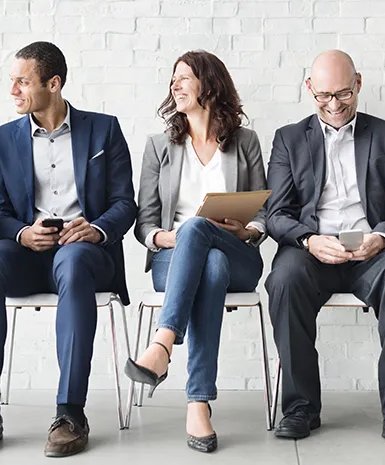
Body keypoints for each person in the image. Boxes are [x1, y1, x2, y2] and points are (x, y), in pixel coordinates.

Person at [0, 41, 136, 457]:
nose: (13, 90)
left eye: (23, 81)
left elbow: (125, 203)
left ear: (53, 84)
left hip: (86, 254)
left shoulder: (103, 129)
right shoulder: (0, 139)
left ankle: (70, 413)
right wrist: (22, 233)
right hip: (28, 253)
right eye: (12, 81)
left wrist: (96, 229)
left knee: (72, 262)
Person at [265, 50, 385, 441]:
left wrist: (380, 238)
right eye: (323, 96)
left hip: (372, 248)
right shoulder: (288, 138)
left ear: (358, 84)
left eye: (343, 94)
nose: (334, 106)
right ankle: (301, 408)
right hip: (312, 249)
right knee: (282, 280)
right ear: (309, 89)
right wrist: (309, 239)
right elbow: (276, 213)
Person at [126, 50, 267, 453]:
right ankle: (198, 403)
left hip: (237, 250)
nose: (175, 84)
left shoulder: (245, 142)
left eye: (185, 77)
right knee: (209, 261)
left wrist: (248, 228)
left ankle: (162, 345)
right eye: (173, 79)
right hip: (174, 258)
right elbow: (146, 223)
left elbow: (265, 212)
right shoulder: (159, 146)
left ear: (211, 84)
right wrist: (168, 237)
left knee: (209, 242)